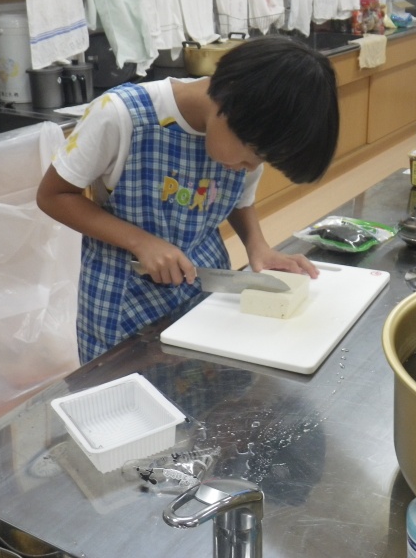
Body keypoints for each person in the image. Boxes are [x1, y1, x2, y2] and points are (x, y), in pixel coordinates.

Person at [36, 36, 340, 363]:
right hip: (123, 299)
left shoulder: (250, 133)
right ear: (227, 106)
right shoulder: (121, 115)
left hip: (204, 286)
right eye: (253, 154)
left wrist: (258, 246)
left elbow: (240, 198)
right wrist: (141, 242)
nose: (252, 167)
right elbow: (53, 195)